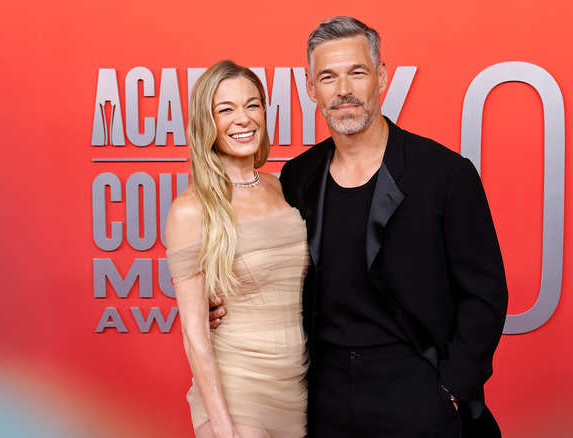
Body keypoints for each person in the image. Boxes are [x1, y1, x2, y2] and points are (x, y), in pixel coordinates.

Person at [278, 17, 509, 437]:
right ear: (311, 88)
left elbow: (486, 293)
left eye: (357, 72)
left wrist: (450, 389)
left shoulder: (444, 174)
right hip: (321, 393)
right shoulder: (297, 177)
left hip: (416, 386)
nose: (343, 89)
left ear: (382, 77)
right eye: (328, 76)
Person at [166, 60, 309, 438]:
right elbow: (195, 333)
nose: (242, 119)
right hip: (237, 391)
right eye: (225, 109)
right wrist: (223, 426)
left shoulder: (281, 188)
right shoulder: (191, 209)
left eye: (252, 104)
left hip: (297, 388)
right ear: (206, 122)